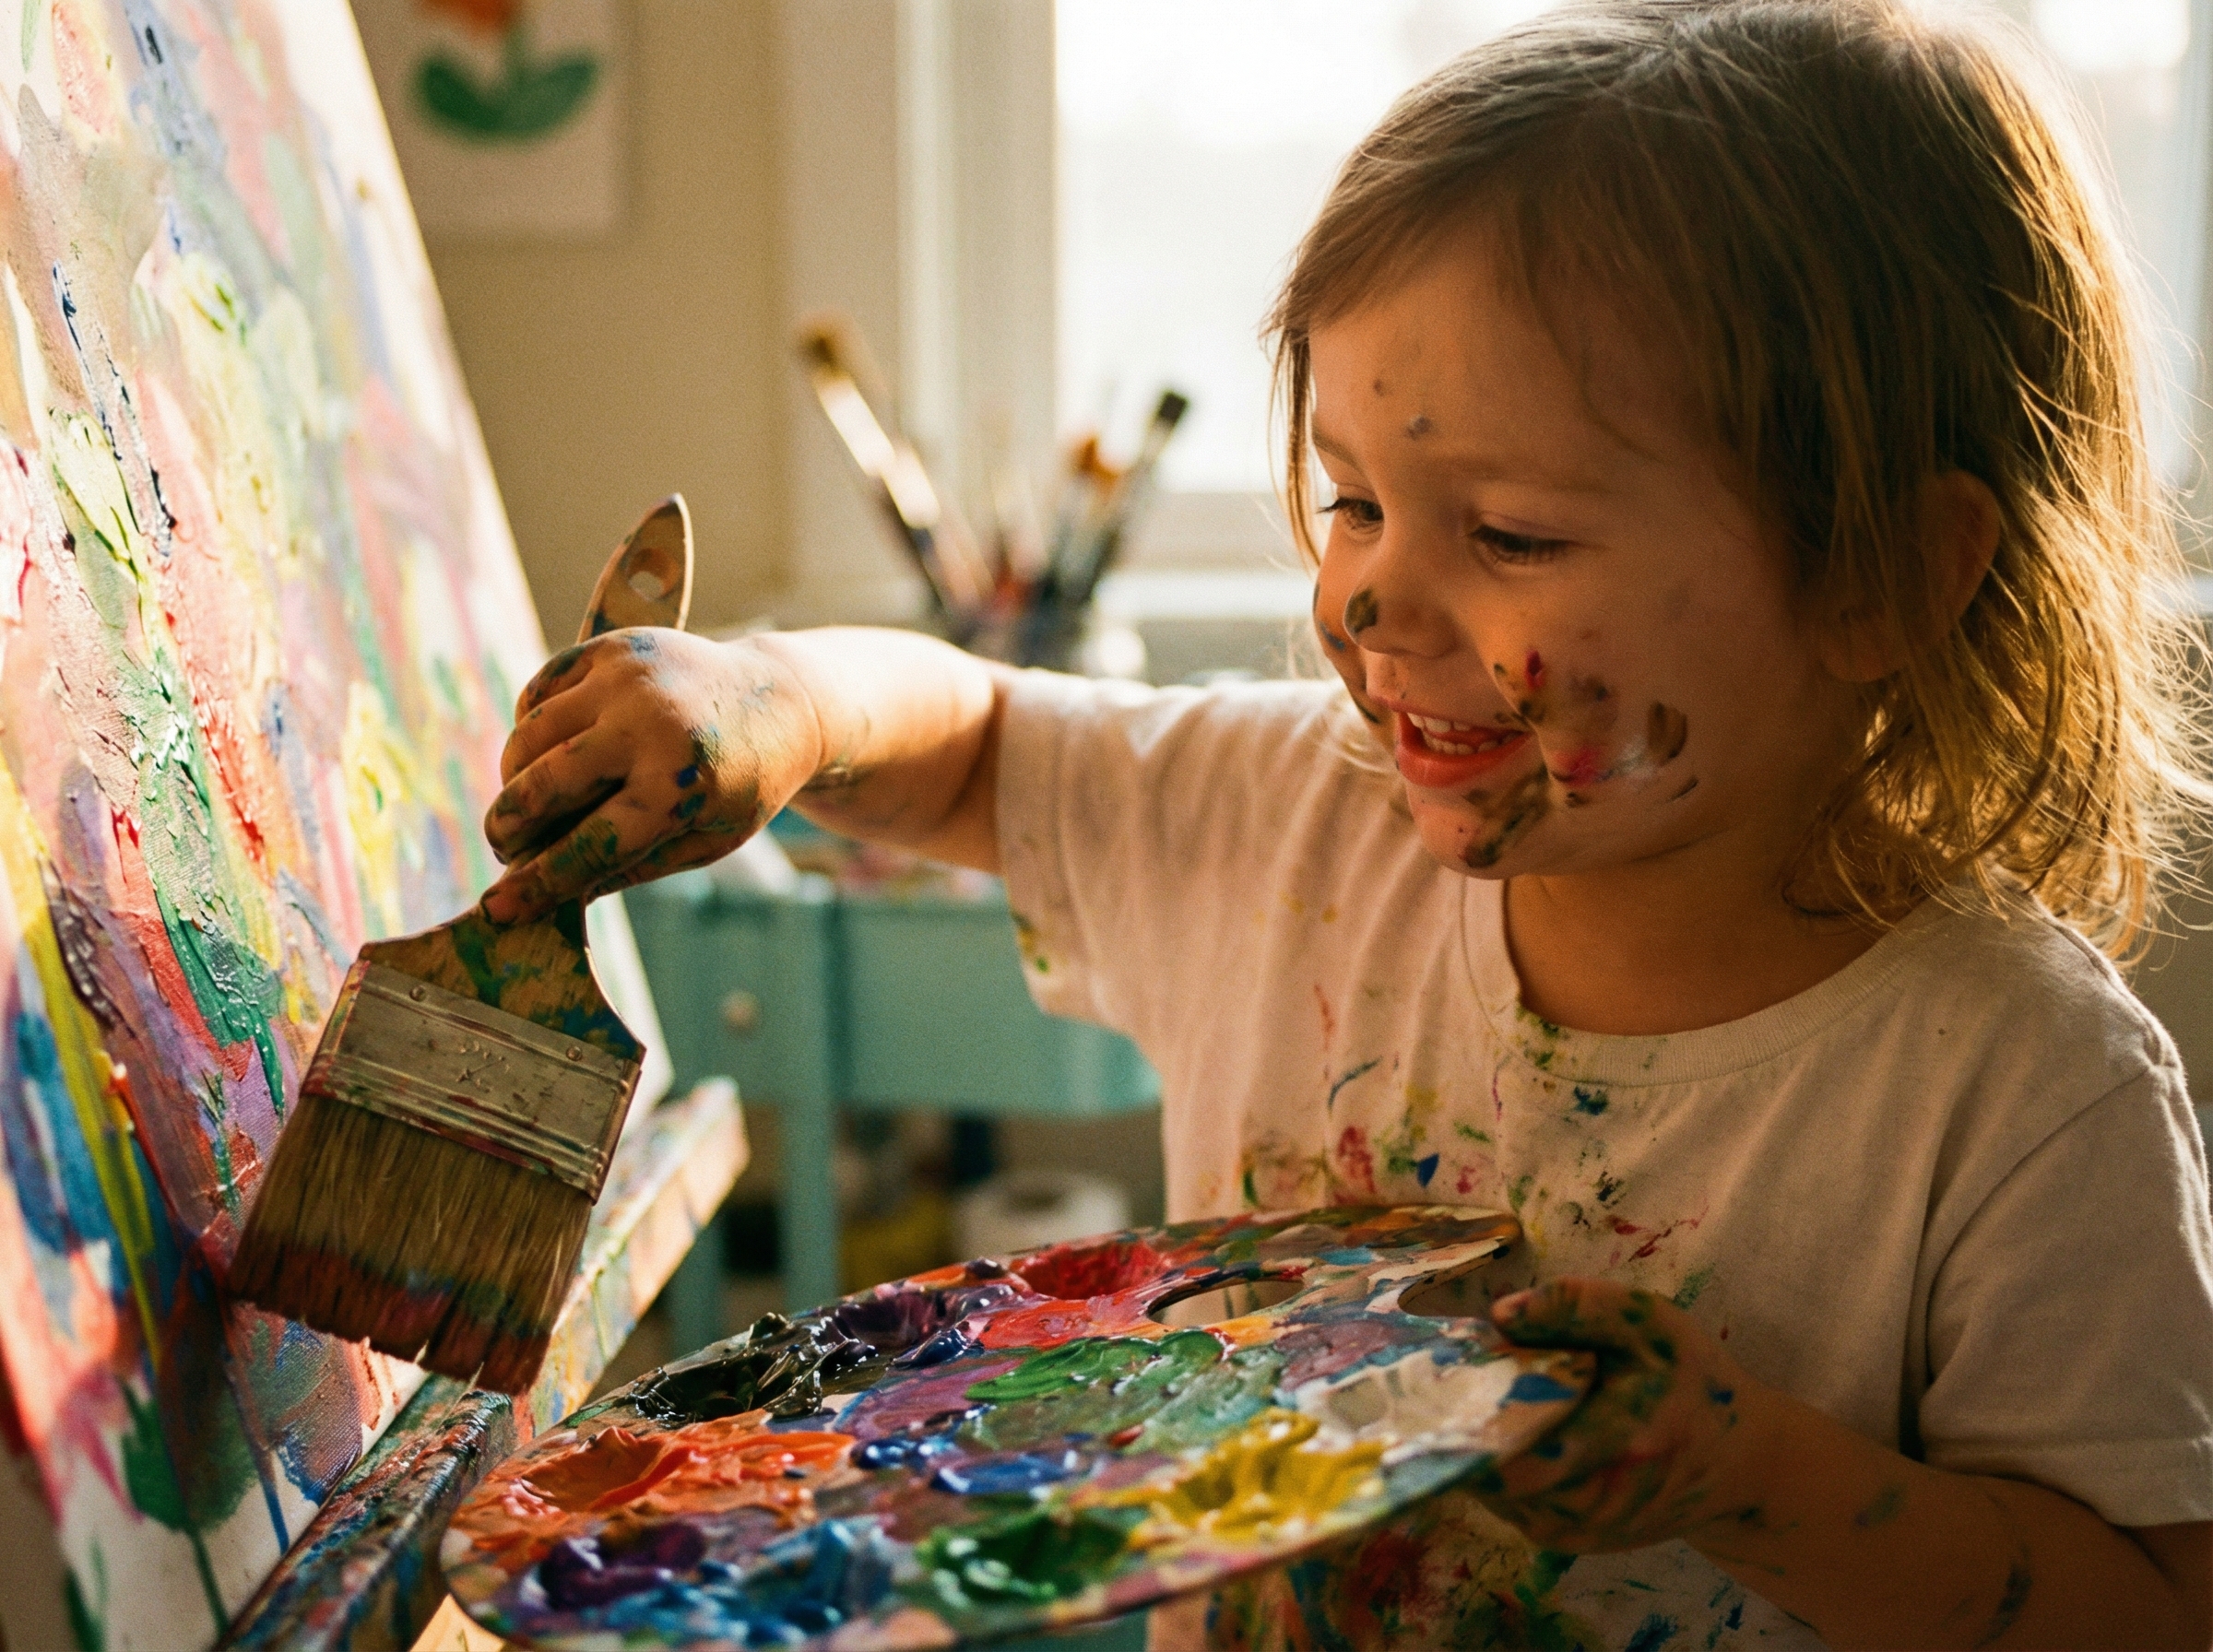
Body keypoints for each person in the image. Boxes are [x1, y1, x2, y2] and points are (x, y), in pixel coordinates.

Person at [475, 2, 2213, 1645]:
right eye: (1356, 501)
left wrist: (1755, 1478)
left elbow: (2146, 1613)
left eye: (1514, 535)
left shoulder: (2023, 1092)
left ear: (1883, 575)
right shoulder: (1296, 824)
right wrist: (774, 704)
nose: (1372, 599)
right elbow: (987, 736)